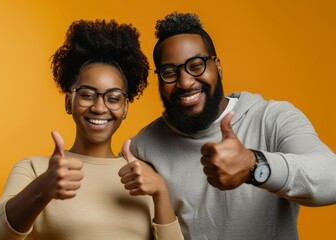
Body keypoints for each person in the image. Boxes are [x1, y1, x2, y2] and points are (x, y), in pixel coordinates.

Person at [129, 12, 336, 239]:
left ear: (217, 66)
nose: (185, 82)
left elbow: (331, 177)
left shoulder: (271, 119)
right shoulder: (143, 148)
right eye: (170, 72)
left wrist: (253, 165)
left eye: (196, 65)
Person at [0, 19, 183, 240]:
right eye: (88, 95)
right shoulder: (35, 170)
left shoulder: (144, 176)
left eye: (113, 98)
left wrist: (161, 191)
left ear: (125, 107)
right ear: (69, 101)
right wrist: (42, 188)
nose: (99, 107)